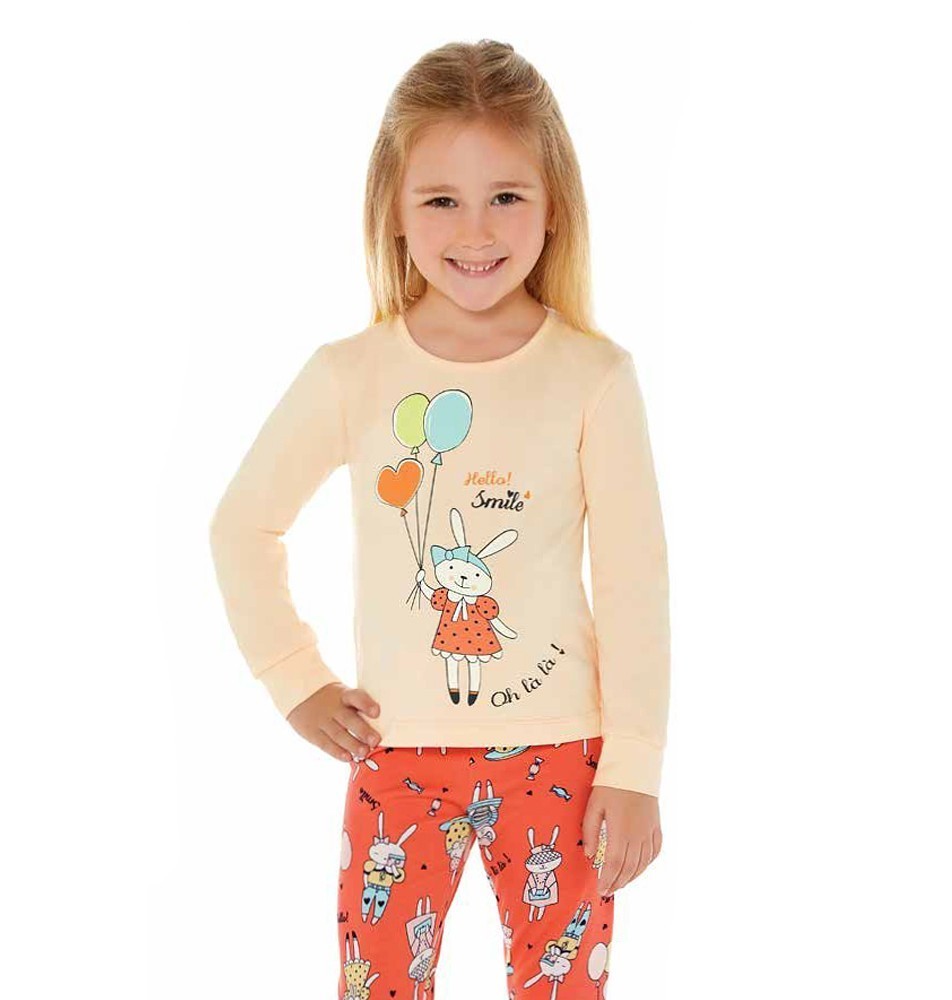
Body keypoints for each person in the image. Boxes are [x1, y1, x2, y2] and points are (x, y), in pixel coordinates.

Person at [209, 38, 670, 1000]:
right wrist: (295, 679)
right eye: (441, 200)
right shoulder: (351, 374)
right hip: (398, 755)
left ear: (554, 203)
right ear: (393, 207)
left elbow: (634, 584)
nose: (477, 230)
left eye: (506, 195)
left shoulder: (594, 377)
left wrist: (635, 767)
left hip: (565, 757)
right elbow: (243, 526)